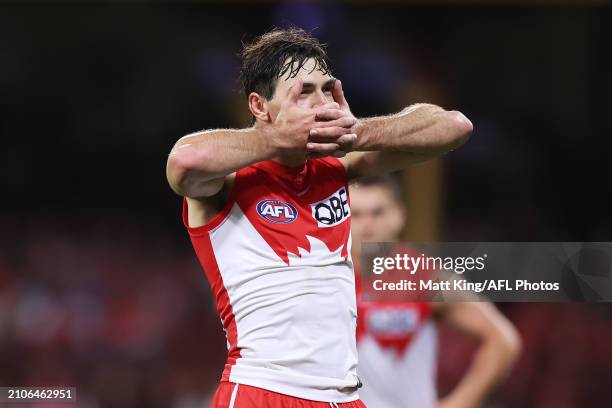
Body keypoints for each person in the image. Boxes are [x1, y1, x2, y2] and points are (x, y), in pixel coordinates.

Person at [165, 27, 472, 408]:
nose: (321, 102)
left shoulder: (337, 167)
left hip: (345, 398)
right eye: (303, 92)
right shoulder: (227, 180)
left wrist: (358, 131)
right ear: (260, 107)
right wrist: (278, 138)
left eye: (326, 89)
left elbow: (454, 127)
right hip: (264, 391)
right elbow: (184, 161)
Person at [350, 176, 521, 408]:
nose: (367, 225)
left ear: (399, 216)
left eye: (377, 213)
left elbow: (503, 340)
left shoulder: (424, 276)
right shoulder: (325, 277)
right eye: (356, 214)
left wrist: (458, 403)